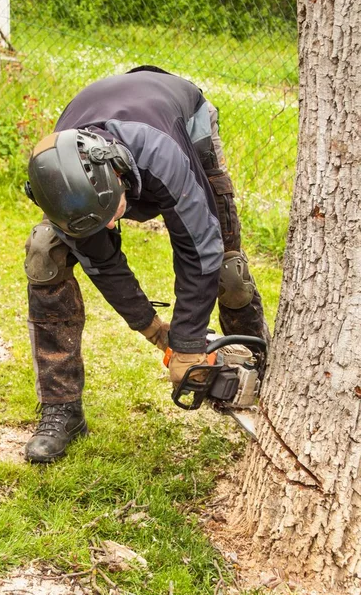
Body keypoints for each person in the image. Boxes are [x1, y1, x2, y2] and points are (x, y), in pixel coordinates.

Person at [23, 66, 269, 463]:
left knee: (226, 267)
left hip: (183, 126)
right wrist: (154, 330)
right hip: (103, 125)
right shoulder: (56, 180)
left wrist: (187, 343)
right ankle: (61, 410)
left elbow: (199, 248)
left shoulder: (163, 156)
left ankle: (261, 369)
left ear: (117, 174)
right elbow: (102, 262)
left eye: (111, 213)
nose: (111, 226)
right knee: (44, 251)